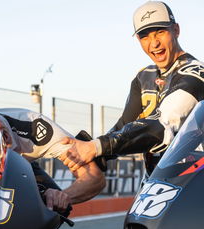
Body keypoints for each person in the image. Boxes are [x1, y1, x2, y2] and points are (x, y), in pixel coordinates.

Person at [60, 1, 204, 177]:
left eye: (160, 32)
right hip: (155, 180)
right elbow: (125, 127)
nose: (154, 43)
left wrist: (96, 147)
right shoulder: (144, 77)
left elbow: (163, 125)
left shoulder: (196, 73)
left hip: (195, 180)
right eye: (145, 36)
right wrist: (87, 155)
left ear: (176, 30)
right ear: (138, 40)